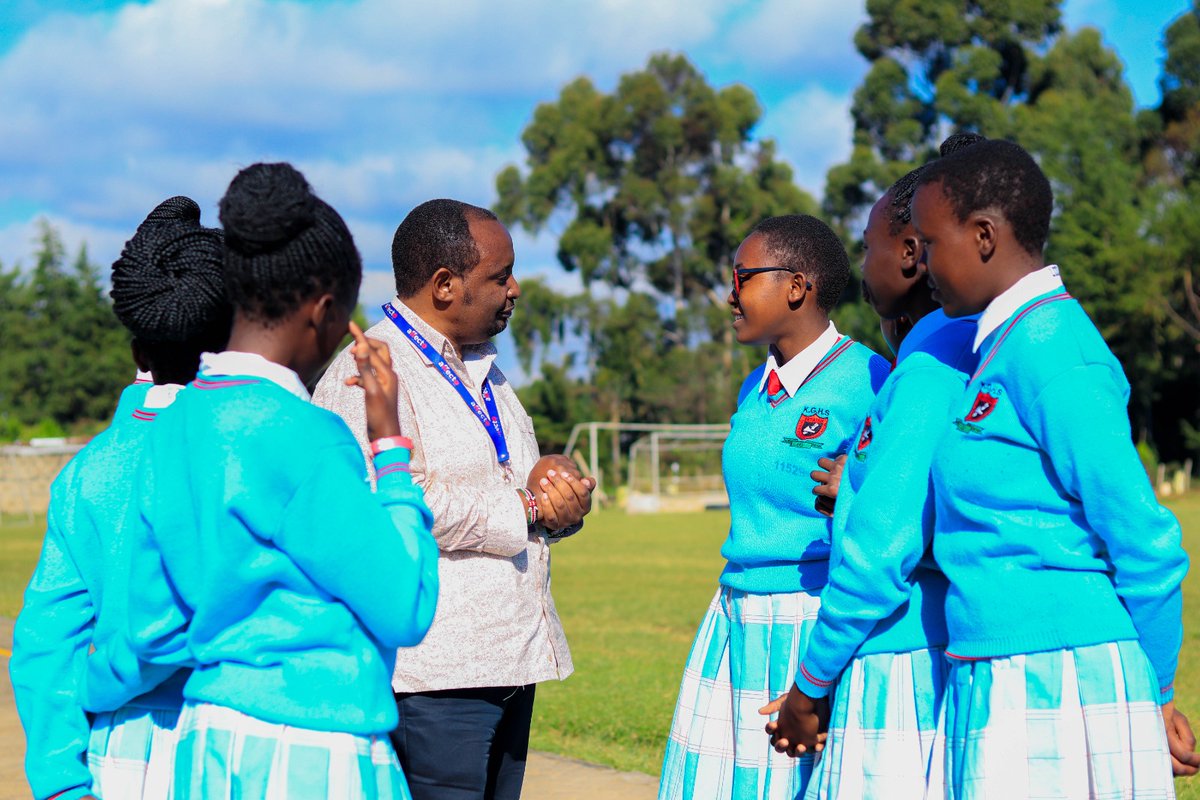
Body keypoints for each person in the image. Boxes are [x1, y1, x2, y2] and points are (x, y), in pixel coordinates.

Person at [109, 162, 440, 798]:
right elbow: (406, 603)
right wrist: (390, 448)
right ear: (323, 311)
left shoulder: (171, 428)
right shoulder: (310, 436)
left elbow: (152, 626)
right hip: (316, 753)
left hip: (206, 746)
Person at [912, 138, 1198, 795]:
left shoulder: (1056, 350)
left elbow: (1146, 542)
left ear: (984, 236)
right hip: (993, 664)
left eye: (929, 243)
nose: (922, 263)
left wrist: (1154, 696)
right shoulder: (999, 347)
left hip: (1060, 674)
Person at [312, 198, 595, 800]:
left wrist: (560, 498)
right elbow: (392, 500)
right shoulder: (368, 370)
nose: (515, 289)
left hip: (510, 661)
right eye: (500, 276)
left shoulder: (484, 369)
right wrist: (527, 507)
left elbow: (516, 490)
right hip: (432, 677)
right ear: (444, 285)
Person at [764, 134, 986, 799]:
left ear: (912, 254)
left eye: (869, 247)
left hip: (906, 652)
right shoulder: (952, 350)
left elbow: (883, 547)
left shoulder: (930, 365)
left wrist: (811, 684)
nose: (862, 266)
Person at [657, 214, 891, 800]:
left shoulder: (870, 379)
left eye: (743, 276)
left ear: (796, 286)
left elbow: (889, 515)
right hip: (734, 613)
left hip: (813, 617)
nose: (730, 294)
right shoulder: (753, 387)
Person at [11, 196, 231, 800]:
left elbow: (44, 643)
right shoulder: (262, 448)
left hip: (121, 749)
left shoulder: (88, 471)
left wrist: (61, 781)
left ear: (138, 351)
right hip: (244, 741)